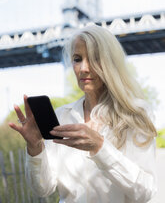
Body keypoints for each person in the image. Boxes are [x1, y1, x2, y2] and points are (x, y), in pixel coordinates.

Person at [9, 24, 157, 203]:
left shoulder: (135, 113)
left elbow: (145, 192)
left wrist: (100, 147)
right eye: (77, 59)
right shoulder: (62, 116)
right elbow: (43, 188)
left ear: (110, 62)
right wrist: (35, 147)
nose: (83, 68)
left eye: (94, 58)